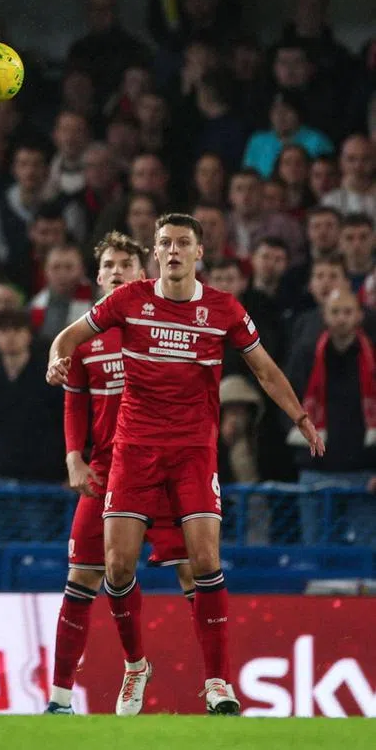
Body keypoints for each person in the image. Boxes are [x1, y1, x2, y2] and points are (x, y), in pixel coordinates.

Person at [46, 213, 325, 715]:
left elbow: (263, 369)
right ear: (155, 253)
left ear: (200, 252)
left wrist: (301, 417)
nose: (173, 251)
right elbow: (67, 338)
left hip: (194, 452)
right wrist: (55, 359)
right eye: (164, 243)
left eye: (182, 243)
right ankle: (135, 666)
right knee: (116, 566)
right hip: (133, 453)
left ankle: (218, 682)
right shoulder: (128, 300)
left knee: (205, 564)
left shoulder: (223, 309)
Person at [46, 232, 197, 716]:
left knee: (196, 571)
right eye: (108, 264)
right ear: (98, 275)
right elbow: (74, 399)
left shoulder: (161, 325)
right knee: (85, 576)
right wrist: (74, 455)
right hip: (108, 469)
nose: (115, 271)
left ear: (142, 272)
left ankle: (219, 682)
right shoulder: (84, 335)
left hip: (167, 466)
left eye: (125, 264)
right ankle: (62, 698)